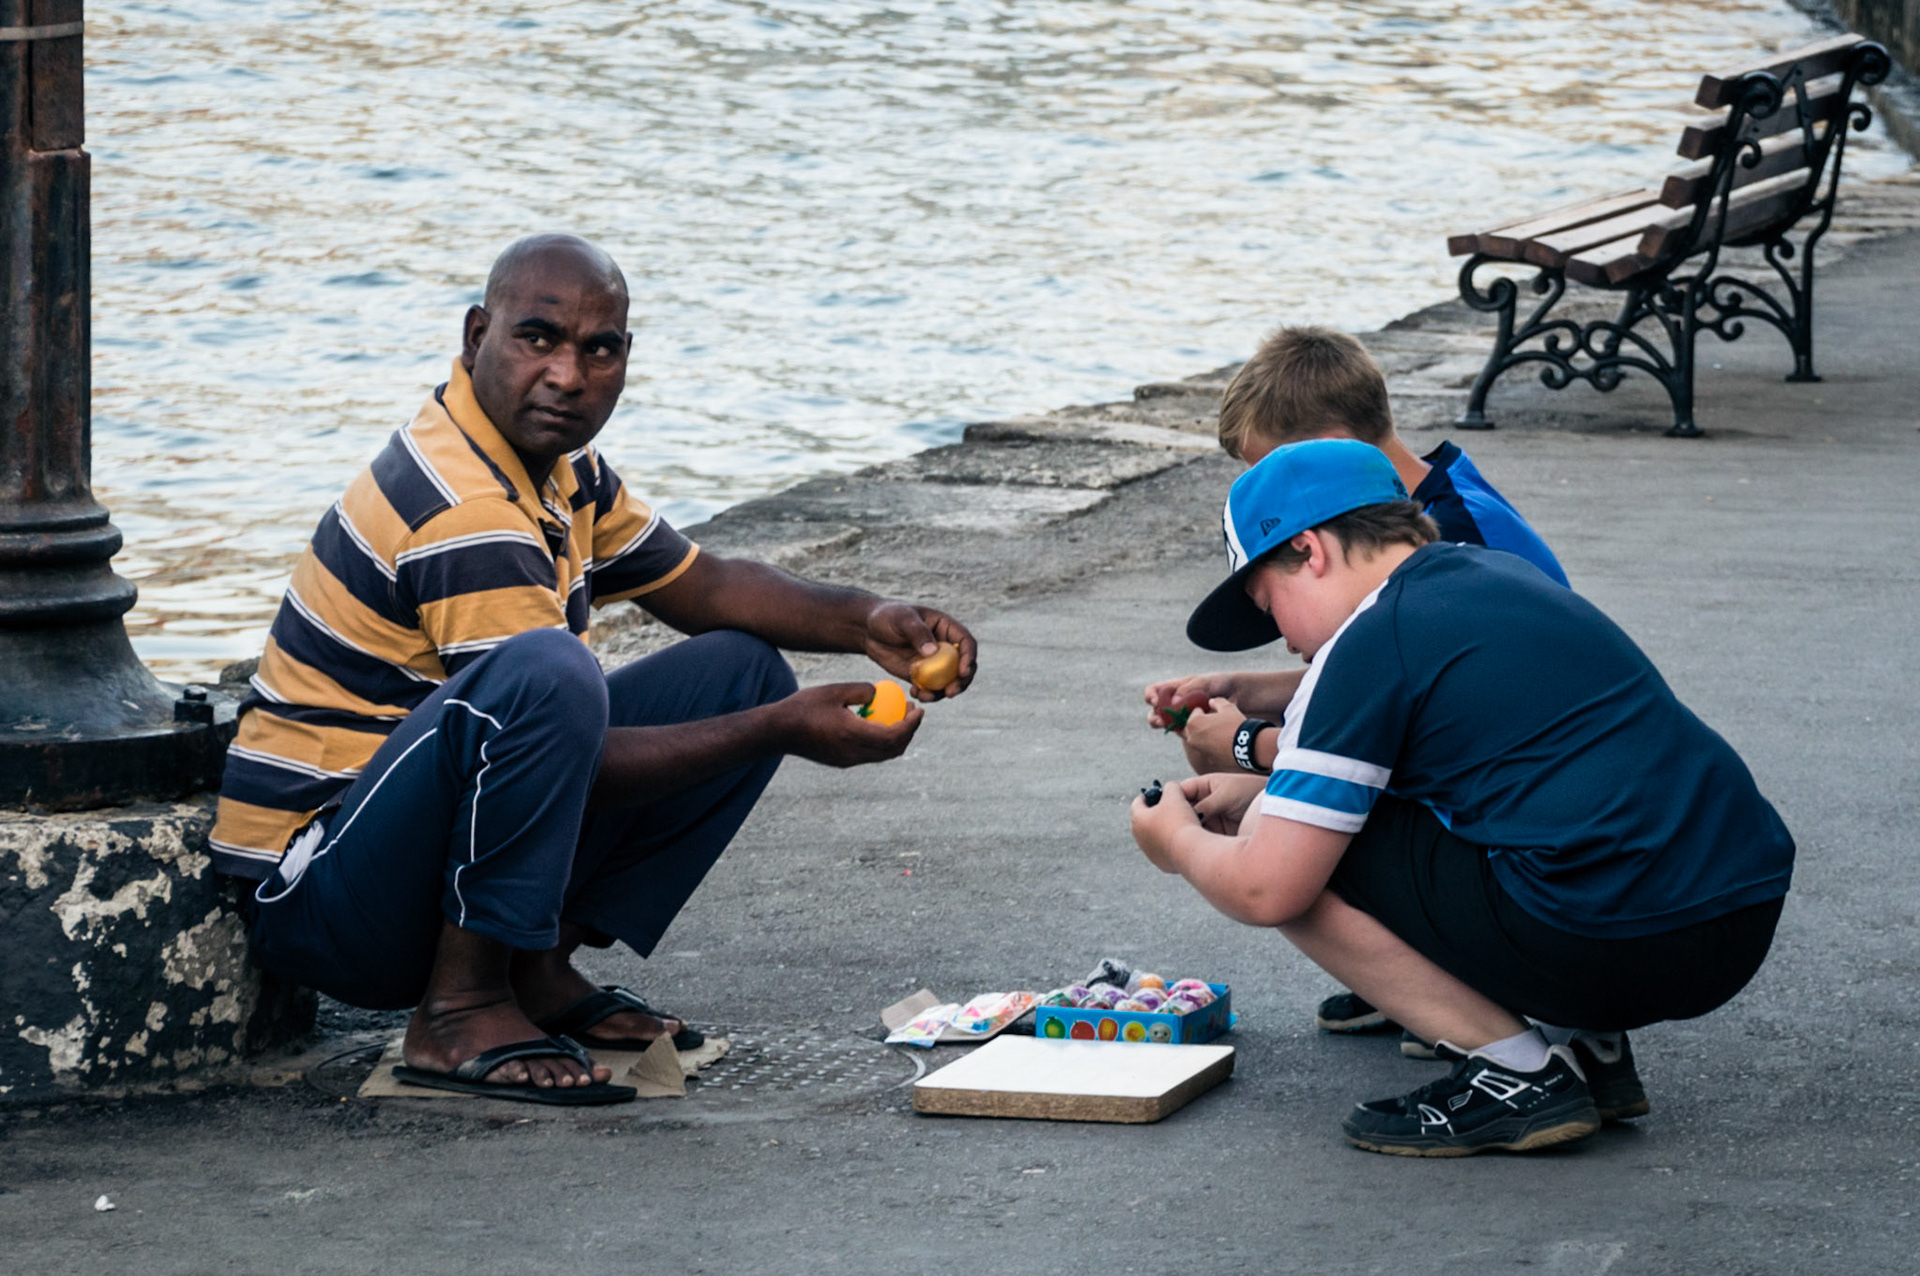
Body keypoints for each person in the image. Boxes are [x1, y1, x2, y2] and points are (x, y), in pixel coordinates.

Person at [211, 234, 977, 1105]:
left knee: (737, 671)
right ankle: (459, 1005)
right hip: (325, 898)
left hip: (412, 866)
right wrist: (783, 730)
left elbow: (706, 585)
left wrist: (867, 620)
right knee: (550, 675)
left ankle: (532, 969)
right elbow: (575, 755)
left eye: (598, 349)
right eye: (537, 338)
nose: (569, 376)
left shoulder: (559, 470)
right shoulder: (464, 506)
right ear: (475, 338)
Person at [1130, 440, 1793, 1156]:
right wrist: (1257, 717)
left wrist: (1177, 842)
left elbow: (1267, 890)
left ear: (1309, 550)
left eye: (1270, 604)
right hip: (1734, 917)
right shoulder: (1495, 575)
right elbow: (1425, 705)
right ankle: (1588, 1045)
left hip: (1614, 936)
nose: (1286, 640)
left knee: (1272, 835)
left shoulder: (1367, 645)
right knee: (1517, 809)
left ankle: (1516, 1077)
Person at [1143, 326, 1568, 1048]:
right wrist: (1252, 688)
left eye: (1278, 470)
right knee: (1287, 802)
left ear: (1336, 450)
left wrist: (1245, 747)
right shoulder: (1446, 508)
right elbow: (1407, 685)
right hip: (1579, 825)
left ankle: (1473, 1001)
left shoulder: (1454, 542)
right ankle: (1443, 972)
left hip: (1531, 845)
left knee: (1283, 830)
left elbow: (1401, 737)